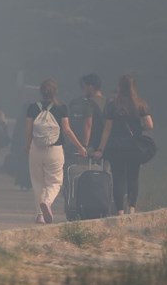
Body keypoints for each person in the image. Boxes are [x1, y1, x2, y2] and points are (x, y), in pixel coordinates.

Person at [25, 80, 87, 224]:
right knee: (55, 182)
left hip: (36, 148)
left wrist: (27, 146)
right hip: (55, 149)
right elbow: (67, 130)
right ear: (55, 92)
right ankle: (47, 202)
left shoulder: (32, 108)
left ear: (41, 92)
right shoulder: (61, 108)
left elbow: (28, 130)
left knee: (38, 182)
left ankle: (40, 215)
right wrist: (80, 147)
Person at [92, 74, 154, 215]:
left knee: (118, 178)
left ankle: (119, 210)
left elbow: (107, 130)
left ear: (120, 87)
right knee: (133, 176)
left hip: (116, 147)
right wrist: (139, 129)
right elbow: (150, 125)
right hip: (134, 146)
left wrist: (100, 149)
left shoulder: (113, 105)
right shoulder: (140, 104)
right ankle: (131, 207)